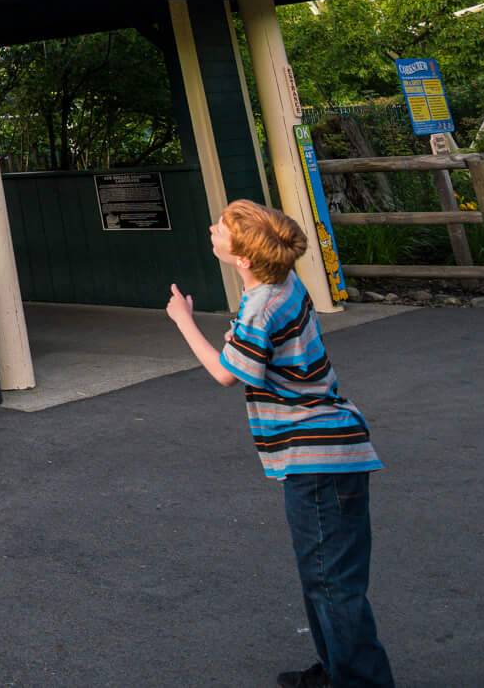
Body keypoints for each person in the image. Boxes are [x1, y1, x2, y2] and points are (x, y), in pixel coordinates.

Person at [165, 200, 393, 688]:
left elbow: (227, 374)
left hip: (319, 459)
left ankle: (361, 682)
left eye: (222, 228)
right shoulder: (282, 284)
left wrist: (183, 319)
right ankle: (335, 671)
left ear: (244, 259)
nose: (213, 229)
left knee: (332, 584)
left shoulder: (263, 303)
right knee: (323, 578)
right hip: (328, 452)